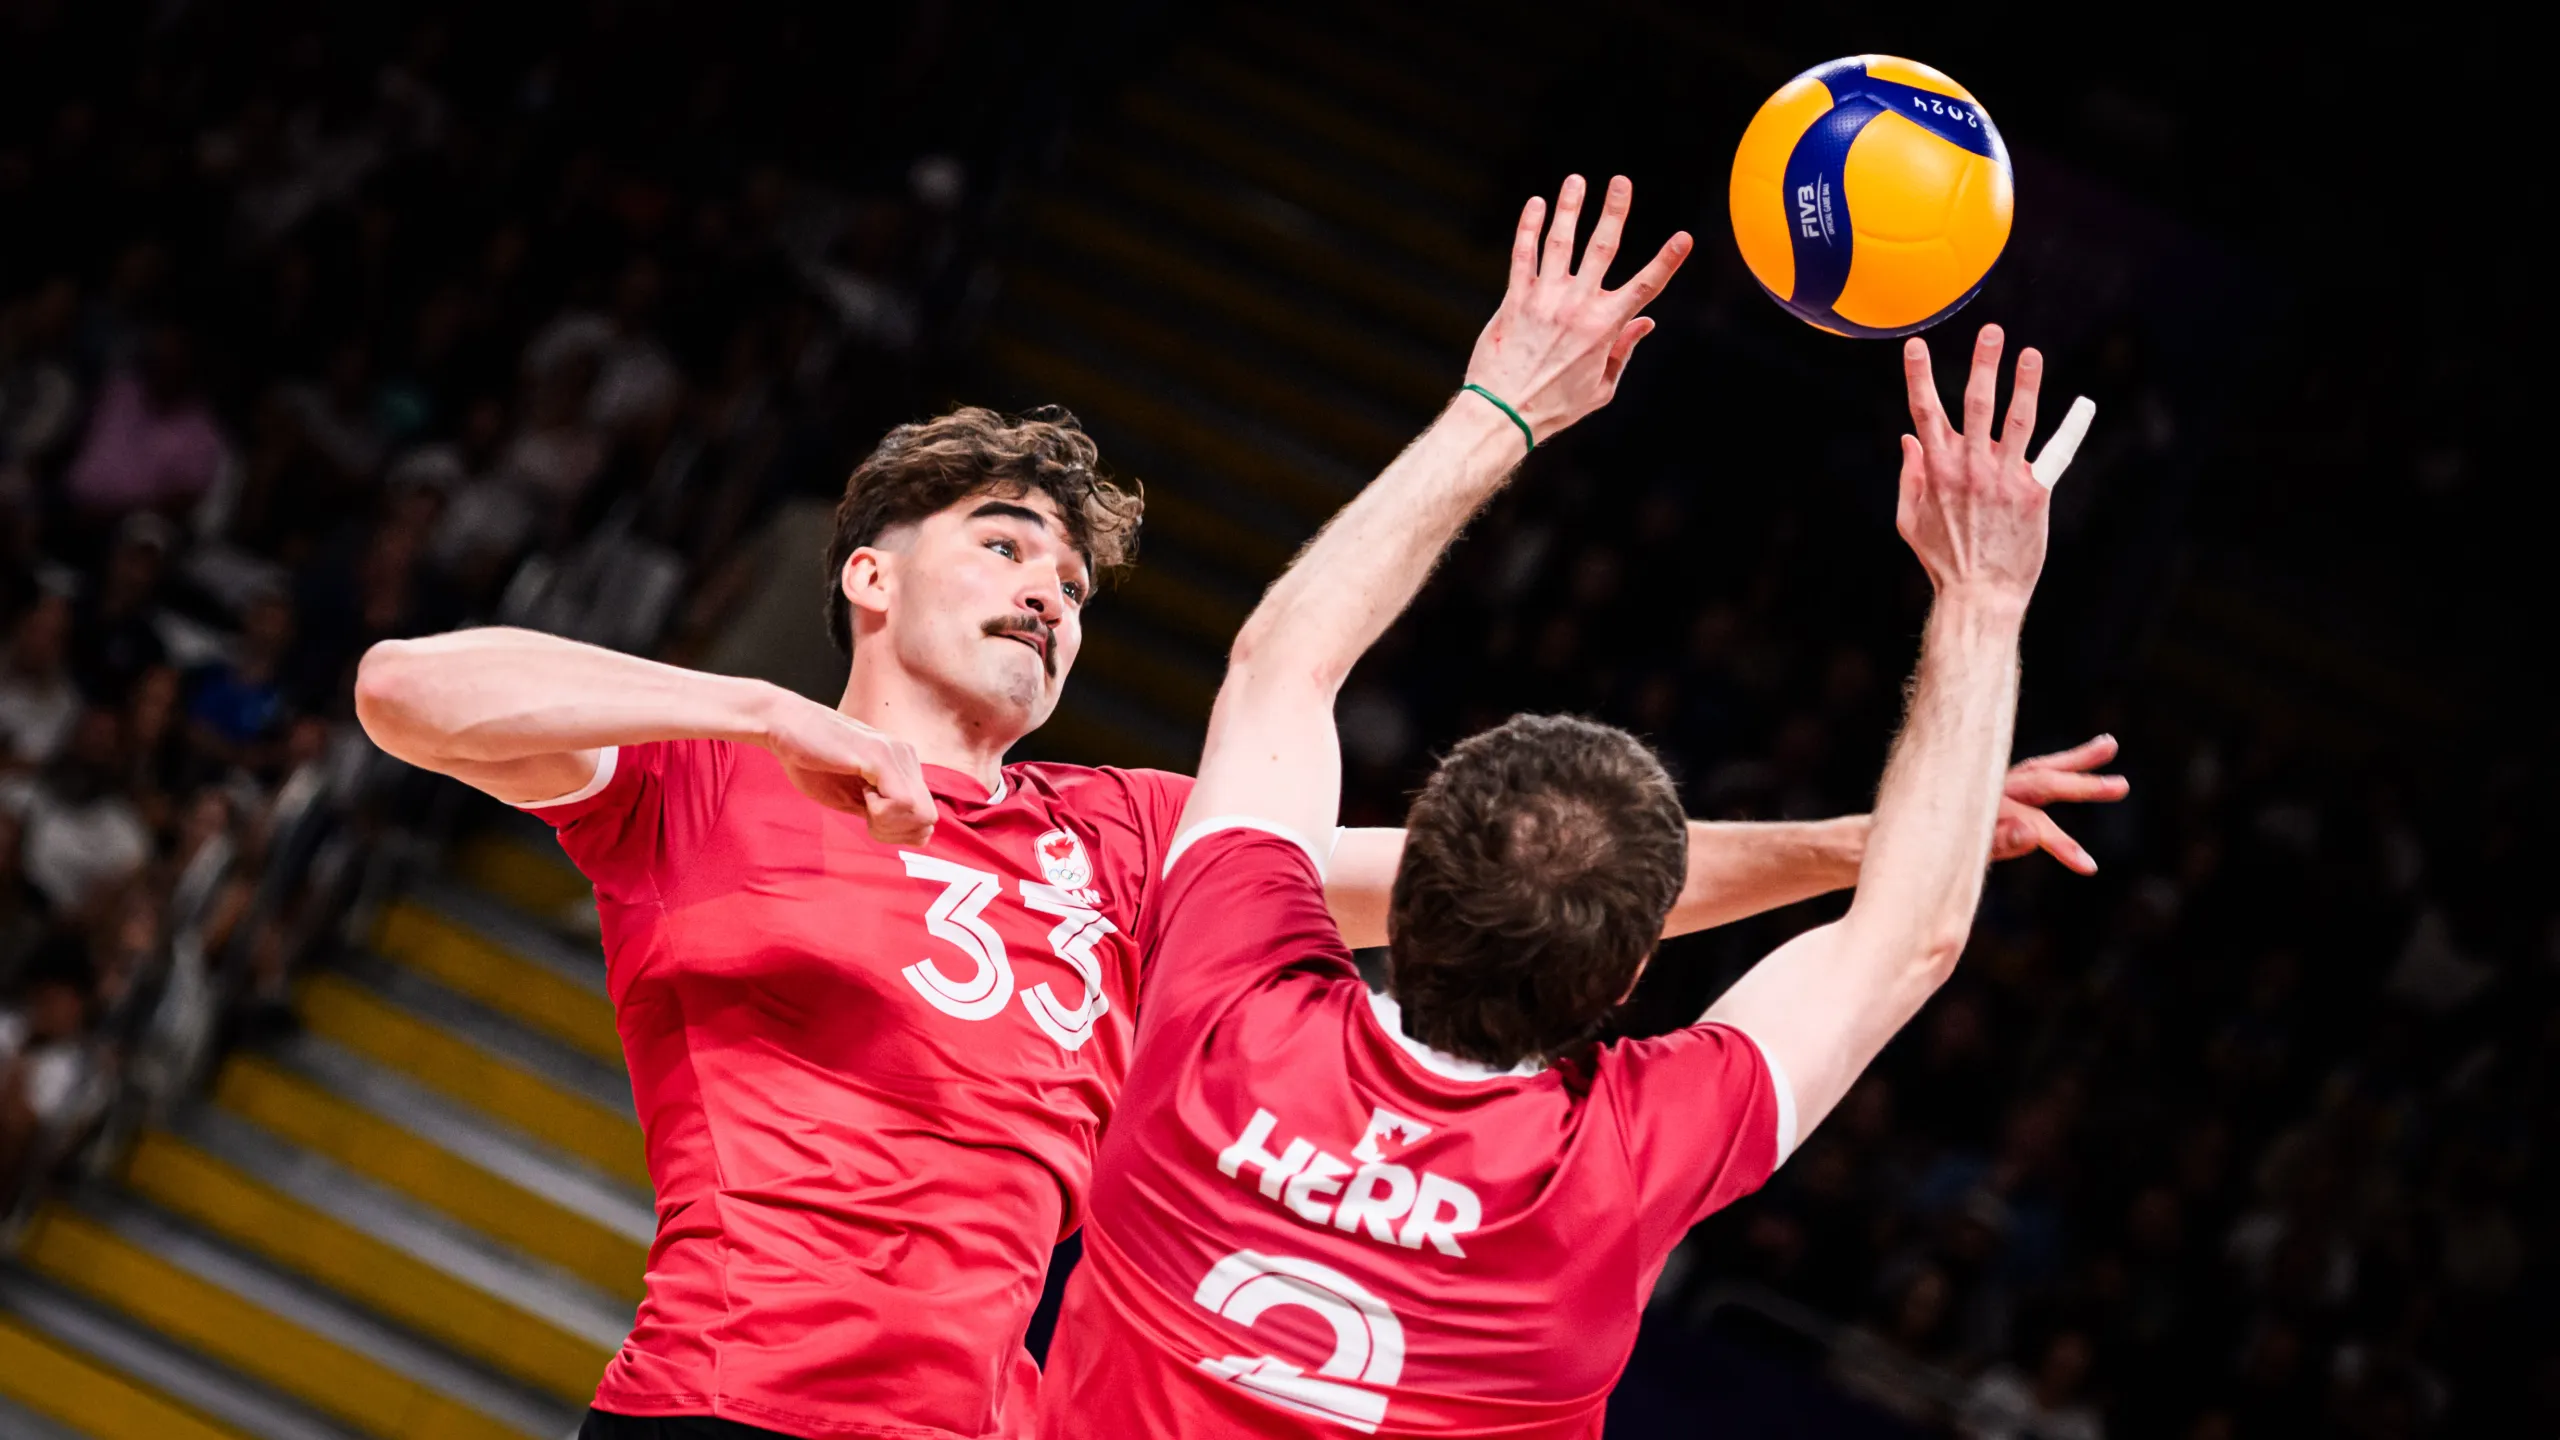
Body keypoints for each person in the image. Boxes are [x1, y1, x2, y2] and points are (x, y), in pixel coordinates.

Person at [354, 176, 2117, 1440]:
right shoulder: (708, 777)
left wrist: (1879, 838)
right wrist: (748, 707)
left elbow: (1490, 877)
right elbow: (408, 692)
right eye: (1005, 546)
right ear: (866, 575)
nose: (1051, 591)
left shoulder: (1125, 836)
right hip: (732, 1408)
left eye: (1073, 582)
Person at [1033, 198, 2099, 1435]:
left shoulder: (1226, 1010)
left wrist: (1505, 405)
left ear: (1403, 878)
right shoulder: (1612, 1167)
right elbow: (1906, 936)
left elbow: (1283, 664)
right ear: (1633, 973)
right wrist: (1979, 601)